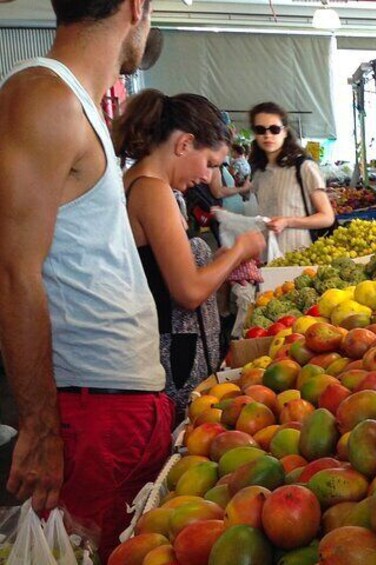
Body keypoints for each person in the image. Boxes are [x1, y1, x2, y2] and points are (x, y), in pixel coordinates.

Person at [0, 0, 169, 558]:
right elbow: (11, 271)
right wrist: (40, 426)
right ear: (136, 6)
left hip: (115, 405)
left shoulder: (77, 100)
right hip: (86, 410)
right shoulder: (43, 96)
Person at [113, 90, 266, 420]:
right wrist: (239, 249)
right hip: (170, 358)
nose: (208, 176)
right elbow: (189, 291)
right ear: (184, 144)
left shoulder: (139, 183)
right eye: (210, 163)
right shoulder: (152, 190)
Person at [249, 101, 335, 252]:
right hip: (269, 254)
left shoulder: (304, 168)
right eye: (260, 130)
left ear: (285, 132)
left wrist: (288, 222)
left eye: (274, 129)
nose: (267, 135)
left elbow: (327, 217)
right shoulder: (259, 173)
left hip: (301, 254)